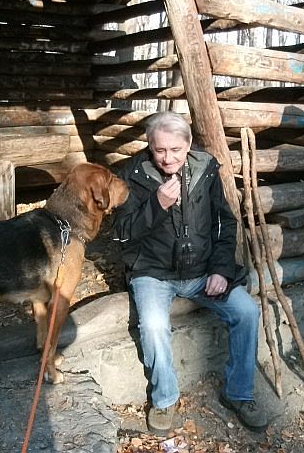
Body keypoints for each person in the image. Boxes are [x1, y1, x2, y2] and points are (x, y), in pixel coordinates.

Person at [111, 111, 267, 435]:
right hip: (152, 273)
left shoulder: (206, 168)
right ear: (149, 146)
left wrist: (221, 269)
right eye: (159, 150)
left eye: (175, 150)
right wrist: (156, 205)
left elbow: (224, 223)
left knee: (247, 312)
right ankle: (165, 399)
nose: (168, 158)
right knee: (153, 325)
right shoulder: (131, 175)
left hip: (201, 271)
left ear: (189, 144)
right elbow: (121, 235)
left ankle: (239, 394)